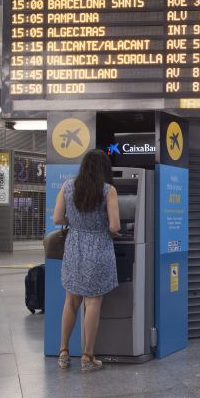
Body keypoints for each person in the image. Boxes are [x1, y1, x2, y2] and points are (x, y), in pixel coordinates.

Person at [52, 149, 120, 372]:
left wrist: (77, 224)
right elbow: (114, 226)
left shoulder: (68, 187)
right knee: (92, 302)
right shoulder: (108, 190)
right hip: (98, 247)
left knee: (71, 301)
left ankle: (63, 352)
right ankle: (87, 357)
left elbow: (57, 218)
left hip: (74, 247)